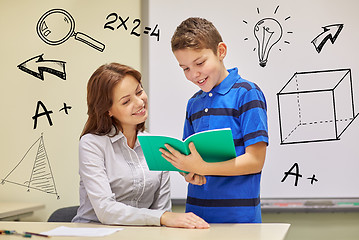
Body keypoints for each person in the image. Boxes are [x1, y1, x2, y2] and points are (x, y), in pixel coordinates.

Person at [72, 62, 209, 229]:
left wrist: (165, 218)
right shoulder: (92, 144)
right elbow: (106, 210)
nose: (139, 103)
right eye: (126, 101)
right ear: (108, 110)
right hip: (93, 233)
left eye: (139, 92)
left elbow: (162, 211)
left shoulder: (156, 145)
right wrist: (164, 217)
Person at [159, 17, 268, 223]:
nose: (194, 74)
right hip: (196, 217)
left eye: (199, 63)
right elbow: (190, 159)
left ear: (221, 51)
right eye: (185, 68)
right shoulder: (193, 104)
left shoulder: (247, 93)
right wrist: (189, 171)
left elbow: (255, 161)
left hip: (239, 221)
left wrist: (203, 168)